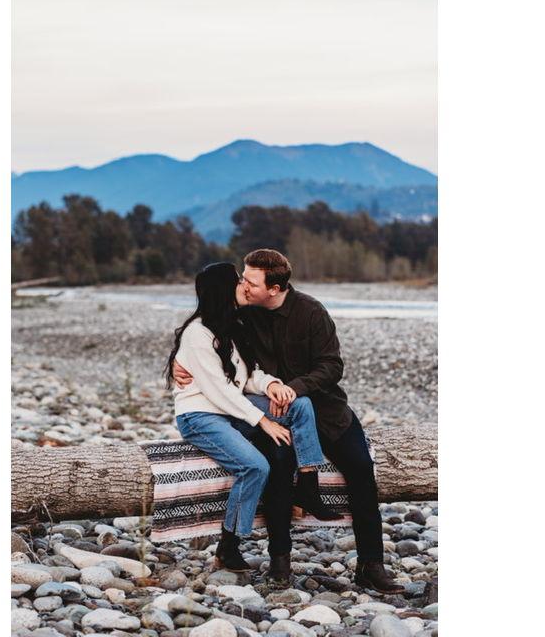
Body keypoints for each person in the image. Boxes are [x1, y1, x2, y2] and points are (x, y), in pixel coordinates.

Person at [174, 250, 405, 593]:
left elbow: (332, 366)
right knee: (278, 465)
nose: (245, 286)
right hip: (270, 411)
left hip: (324, 410)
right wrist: (177, 363)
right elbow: (207, 334)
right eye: (242, 280)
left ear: (275, 288)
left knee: (360, 467)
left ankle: (371, 565)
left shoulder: (311, 312)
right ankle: (280, 561)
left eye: (251, 282)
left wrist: (293, 388)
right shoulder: (243, 314)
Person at [164, 262, 341, 572]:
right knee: (255, 466)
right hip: (201, 416)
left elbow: (246, 377)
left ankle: (309, 487)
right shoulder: (197, 334)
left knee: (299, 404)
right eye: (238, 281)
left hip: (230, 410)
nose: (244, 286)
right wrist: (263, 421)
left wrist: (272, 386)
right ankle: (229, 545)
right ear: (222, 290)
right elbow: (219, 391)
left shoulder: (231, 327)